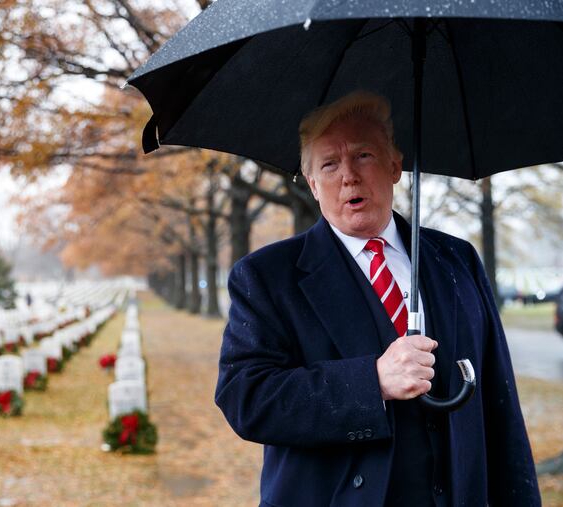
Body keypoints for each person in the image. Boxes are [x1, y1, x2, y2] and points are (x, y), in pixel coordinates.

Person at [215, 92, 539, 506]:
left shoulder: (458, 259)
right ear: (312, 184)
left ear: (395, 165)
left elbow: (500, 403)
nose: (348, 175)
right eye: (329, 164)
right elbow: (246, 398)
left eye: (364, 155)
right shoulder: (265, 276)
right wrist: (372, 383)